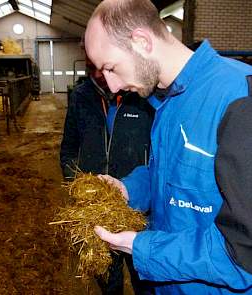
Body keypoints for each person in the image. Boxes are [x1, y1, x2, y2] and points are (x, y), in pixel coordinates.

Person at [84, 0, 252, 294]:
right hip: (166, 284)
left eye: (110, 68)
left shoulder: (239, 97)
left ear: (141, 41)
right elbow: (170, 175)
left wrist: (142, 247)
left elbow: (243, 252)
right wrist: (129, 189)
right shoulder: (167, 103)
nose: (111, 87)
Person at [60, 57, 154, 294]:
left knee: (143, 276)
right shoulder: (81, 97)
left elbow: (157, 154)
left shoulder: (143, 97)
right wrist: (78, 187)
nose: (101, 75)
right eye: (94, 68)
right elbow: (69, 148)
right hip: (96, 209)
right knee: (107, 276)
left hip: (136, 207)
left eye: (107, 67)